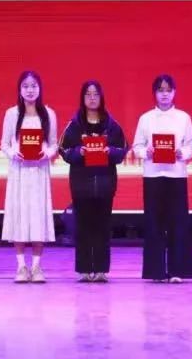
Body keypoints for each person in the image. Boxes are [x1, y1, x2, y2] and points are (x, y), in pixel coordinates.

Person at [59, 80, 128, 282]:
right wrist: (78, 152)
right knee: (83, 227)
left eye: (95, 94)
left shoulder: (111, 124)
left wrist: (110, 151)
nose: (92, 98)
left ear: (101, 98)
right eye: (88, 94)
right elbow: (63, 149)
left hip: (105, 184)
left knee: (102, 228)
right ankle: (84, 269)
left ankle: (101, 270)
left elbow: (123, 149)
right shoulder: (74, 124)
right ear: (82, 98)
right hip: (81, 184)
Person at [132, 74, 192, 283]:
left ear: (174, 92)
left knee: (178, 223)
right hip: (153, 175)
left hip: (176, 175)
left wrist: (182, 153)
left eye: (168, 90)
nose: (165, 94)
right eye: (160, 90)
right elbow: (137, 146)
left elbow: (191, 144)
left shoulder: (184, 118)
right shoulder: (145, 118)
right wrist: (146, 152)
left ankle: (178, 271)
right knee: (154, 224)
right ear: (154, 93)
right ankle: (156, 272)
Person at [1, 70, 59, 283]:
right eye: (25, 86)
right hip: (19, 172)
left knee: (38, 216)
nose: (30, 90)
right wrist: (13, 153)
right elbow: (4, 144)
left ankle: (36, 267)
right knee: (19, 216)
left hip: (39, 172)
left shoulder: (48, 114)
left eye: (34, 85)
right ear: (19, 89)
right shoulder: (12, 114)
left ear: (40, 88)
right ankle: (21, 267)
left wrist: (48, 153)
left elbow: (54, 144)